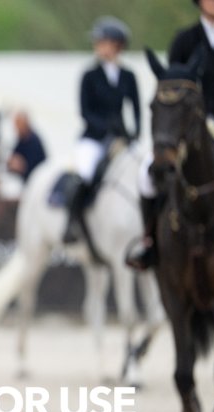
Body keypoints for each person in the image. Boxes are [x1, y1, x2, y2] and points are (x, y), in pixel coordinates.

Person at [128, 0, 214, 269]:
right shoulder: (184, 40)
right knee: (146, 175)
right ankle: (150, 242)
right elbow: (171, 88)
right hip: (189, 129)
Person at [64, 16, 140, 243]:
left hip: (121, 139)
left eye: (103, 42)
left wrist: (135, 133)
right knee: (85, 173)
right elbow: (85, 111)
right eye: (98, 42)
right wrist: (107, 129)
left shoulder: (128, 76)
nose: (98, 46)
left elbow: (136, 108)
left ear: (117, 45)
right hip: (94, 138)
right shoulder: (89, 76)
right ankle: (72, 223)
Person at [7, 111, 47, 183]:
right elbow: (14, 155)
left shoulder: (34, 141)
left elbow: (33, 166)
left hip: (36, 180)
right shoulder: (21, 139)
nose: (16, 128)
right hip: (23, 180)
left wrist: (20, 166)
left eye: (19, 125)